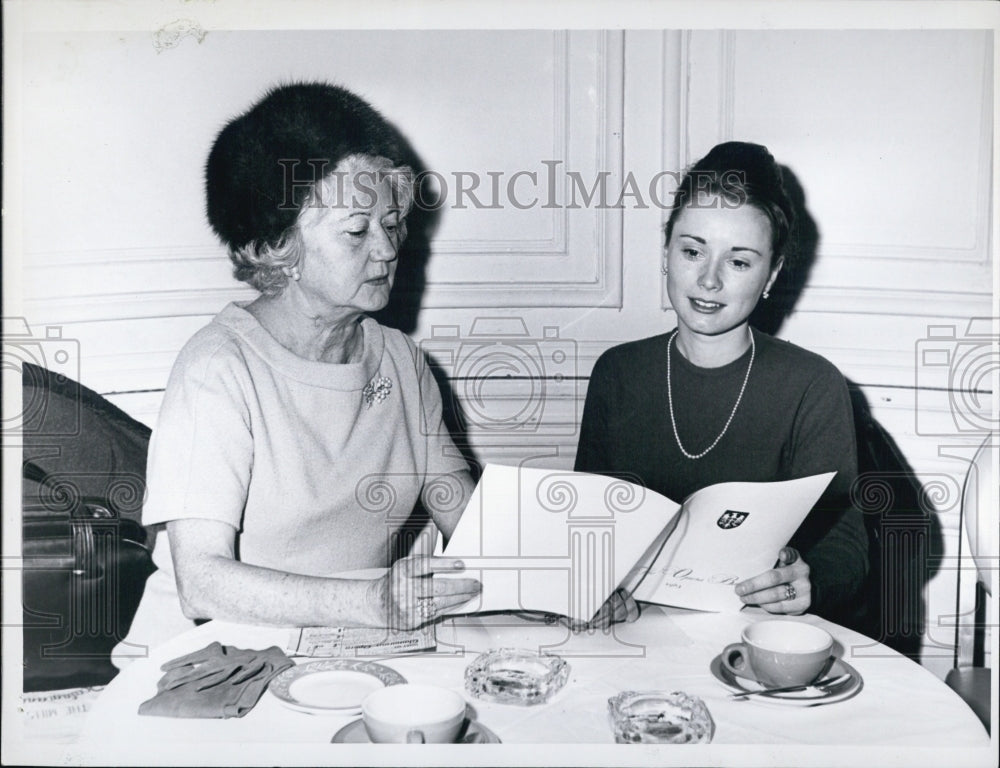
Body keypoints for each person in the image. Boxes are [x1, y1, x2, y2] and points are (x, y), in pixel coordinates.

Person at [116, 83, 481, 659]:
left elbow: (469, 518)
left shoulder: (404, 364)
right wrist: (369, 604)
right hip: (203, 666)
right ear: (278, 247)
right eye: (358, 231)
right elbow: (202, 583)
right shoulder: (218, 367)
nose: (387, 249)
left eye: (392, 223)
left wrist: (571, 585)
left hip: (340, 656)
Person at [575, 141, 868, 623]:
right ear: (666, 251)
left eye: (738, 261)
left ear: (771, 274)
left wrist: (807, 580)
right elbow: (589, 521)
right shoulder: (617, 373)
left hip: (756, 632)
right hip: (635, 630)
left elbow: (846, 545)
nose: (709, 281)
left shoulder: (812, 384)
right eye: (693, 251)